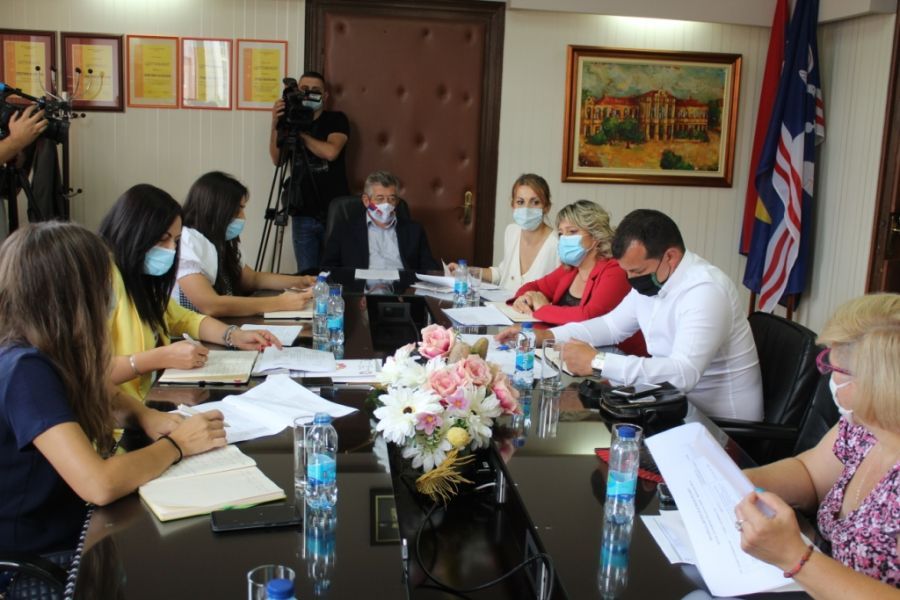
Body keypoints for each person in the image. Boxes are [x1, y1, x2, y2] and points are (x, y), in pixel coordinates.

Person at [0, 222, 226, 556]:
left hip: (74, 525)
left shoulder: (47, 349)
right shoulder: (25, 370)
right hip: (42, 555)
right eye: (103, 284)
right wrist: (178, 445)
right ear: (69, 296)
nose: (110, 296)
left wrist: (144, 415)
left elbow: (101, 388)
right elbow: (99, 484)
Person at [498, 209, 762, 421]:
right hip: (669, 405)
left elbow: (683, 374)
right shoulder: (655, 279)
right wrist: (546, 336)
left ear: (670, 257)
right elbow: (610, 326)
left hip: (720, 427)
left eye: (636, 271)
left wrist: (598, 362)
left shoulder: (705, 291)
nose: (631, 280)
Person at [736, 293, 900, 595]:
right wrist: (734, 483)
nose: (829, 380)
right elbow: (809, 474)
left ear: (877, 383)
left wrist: (794, 557)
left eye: (834, 370)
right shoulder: (863, 424)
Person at [100, 184, 283, 403]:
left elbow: (185, 319)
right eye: (163, 239)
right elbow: (89, 372)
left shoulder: (141, 277)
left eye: (176, 241)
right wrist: (161, 357)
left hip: (142, 405)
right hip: (114, 415)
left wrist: (233, 335)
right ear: (133, 232)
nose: (171, 249)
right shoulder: (104, 279)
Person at [509, 200, 645, 355]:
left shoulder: (615, 269)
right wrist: (525, 298)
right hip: (563, 350)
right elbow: (534, 287)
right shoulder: (570, 268)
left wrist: (542, 308)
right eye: (561, 233)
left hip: (613, 356)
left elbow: (589, 318)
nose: (564, 239)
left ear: (595, 236)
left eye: (572, 232)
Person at [174, 171, 315, 317]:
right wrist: (280, 303)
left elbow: (252, 279)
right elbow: (211, 306)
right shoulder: (188, 241)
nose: (243, 217)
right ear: (217, 209)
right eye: (238, 210)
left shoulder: (223, 241)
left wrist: (301, 281)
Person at [269, 71, 350, 272]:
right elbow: (278, 160)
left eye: (316, 90)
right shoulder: (289, 122)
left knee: (335, 274)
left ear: (325, 95)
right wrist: (276, 124)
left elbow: (330, 152)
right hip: (302, 212)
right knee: (306, 276)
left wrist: (301, 135)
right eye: (304, 89)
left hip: (333, 211)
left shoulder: (336, 119)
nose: (309, 93)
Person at [447, 174, 558, 291]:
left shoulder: (557, 244)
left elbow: (560, 294)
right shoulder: (512, 232)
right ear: (512, 205)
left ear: (547, 207)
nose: (526, 209)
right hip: (503, 301)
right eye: (520, 202)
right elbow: (502, 273)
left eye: (535, 202)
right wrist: (466, 270)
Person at [321, 170, 440, 271]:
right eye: (380, 199)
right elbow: (328, 269)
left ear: (397, 202)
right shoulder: (344, 230)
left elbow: (429, 267)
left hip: (403, 289)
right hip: (362, 289)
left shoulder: (414, 230)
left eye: (391, 199)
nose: (386, 204)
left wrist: (444, 274)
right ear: (366, 201)